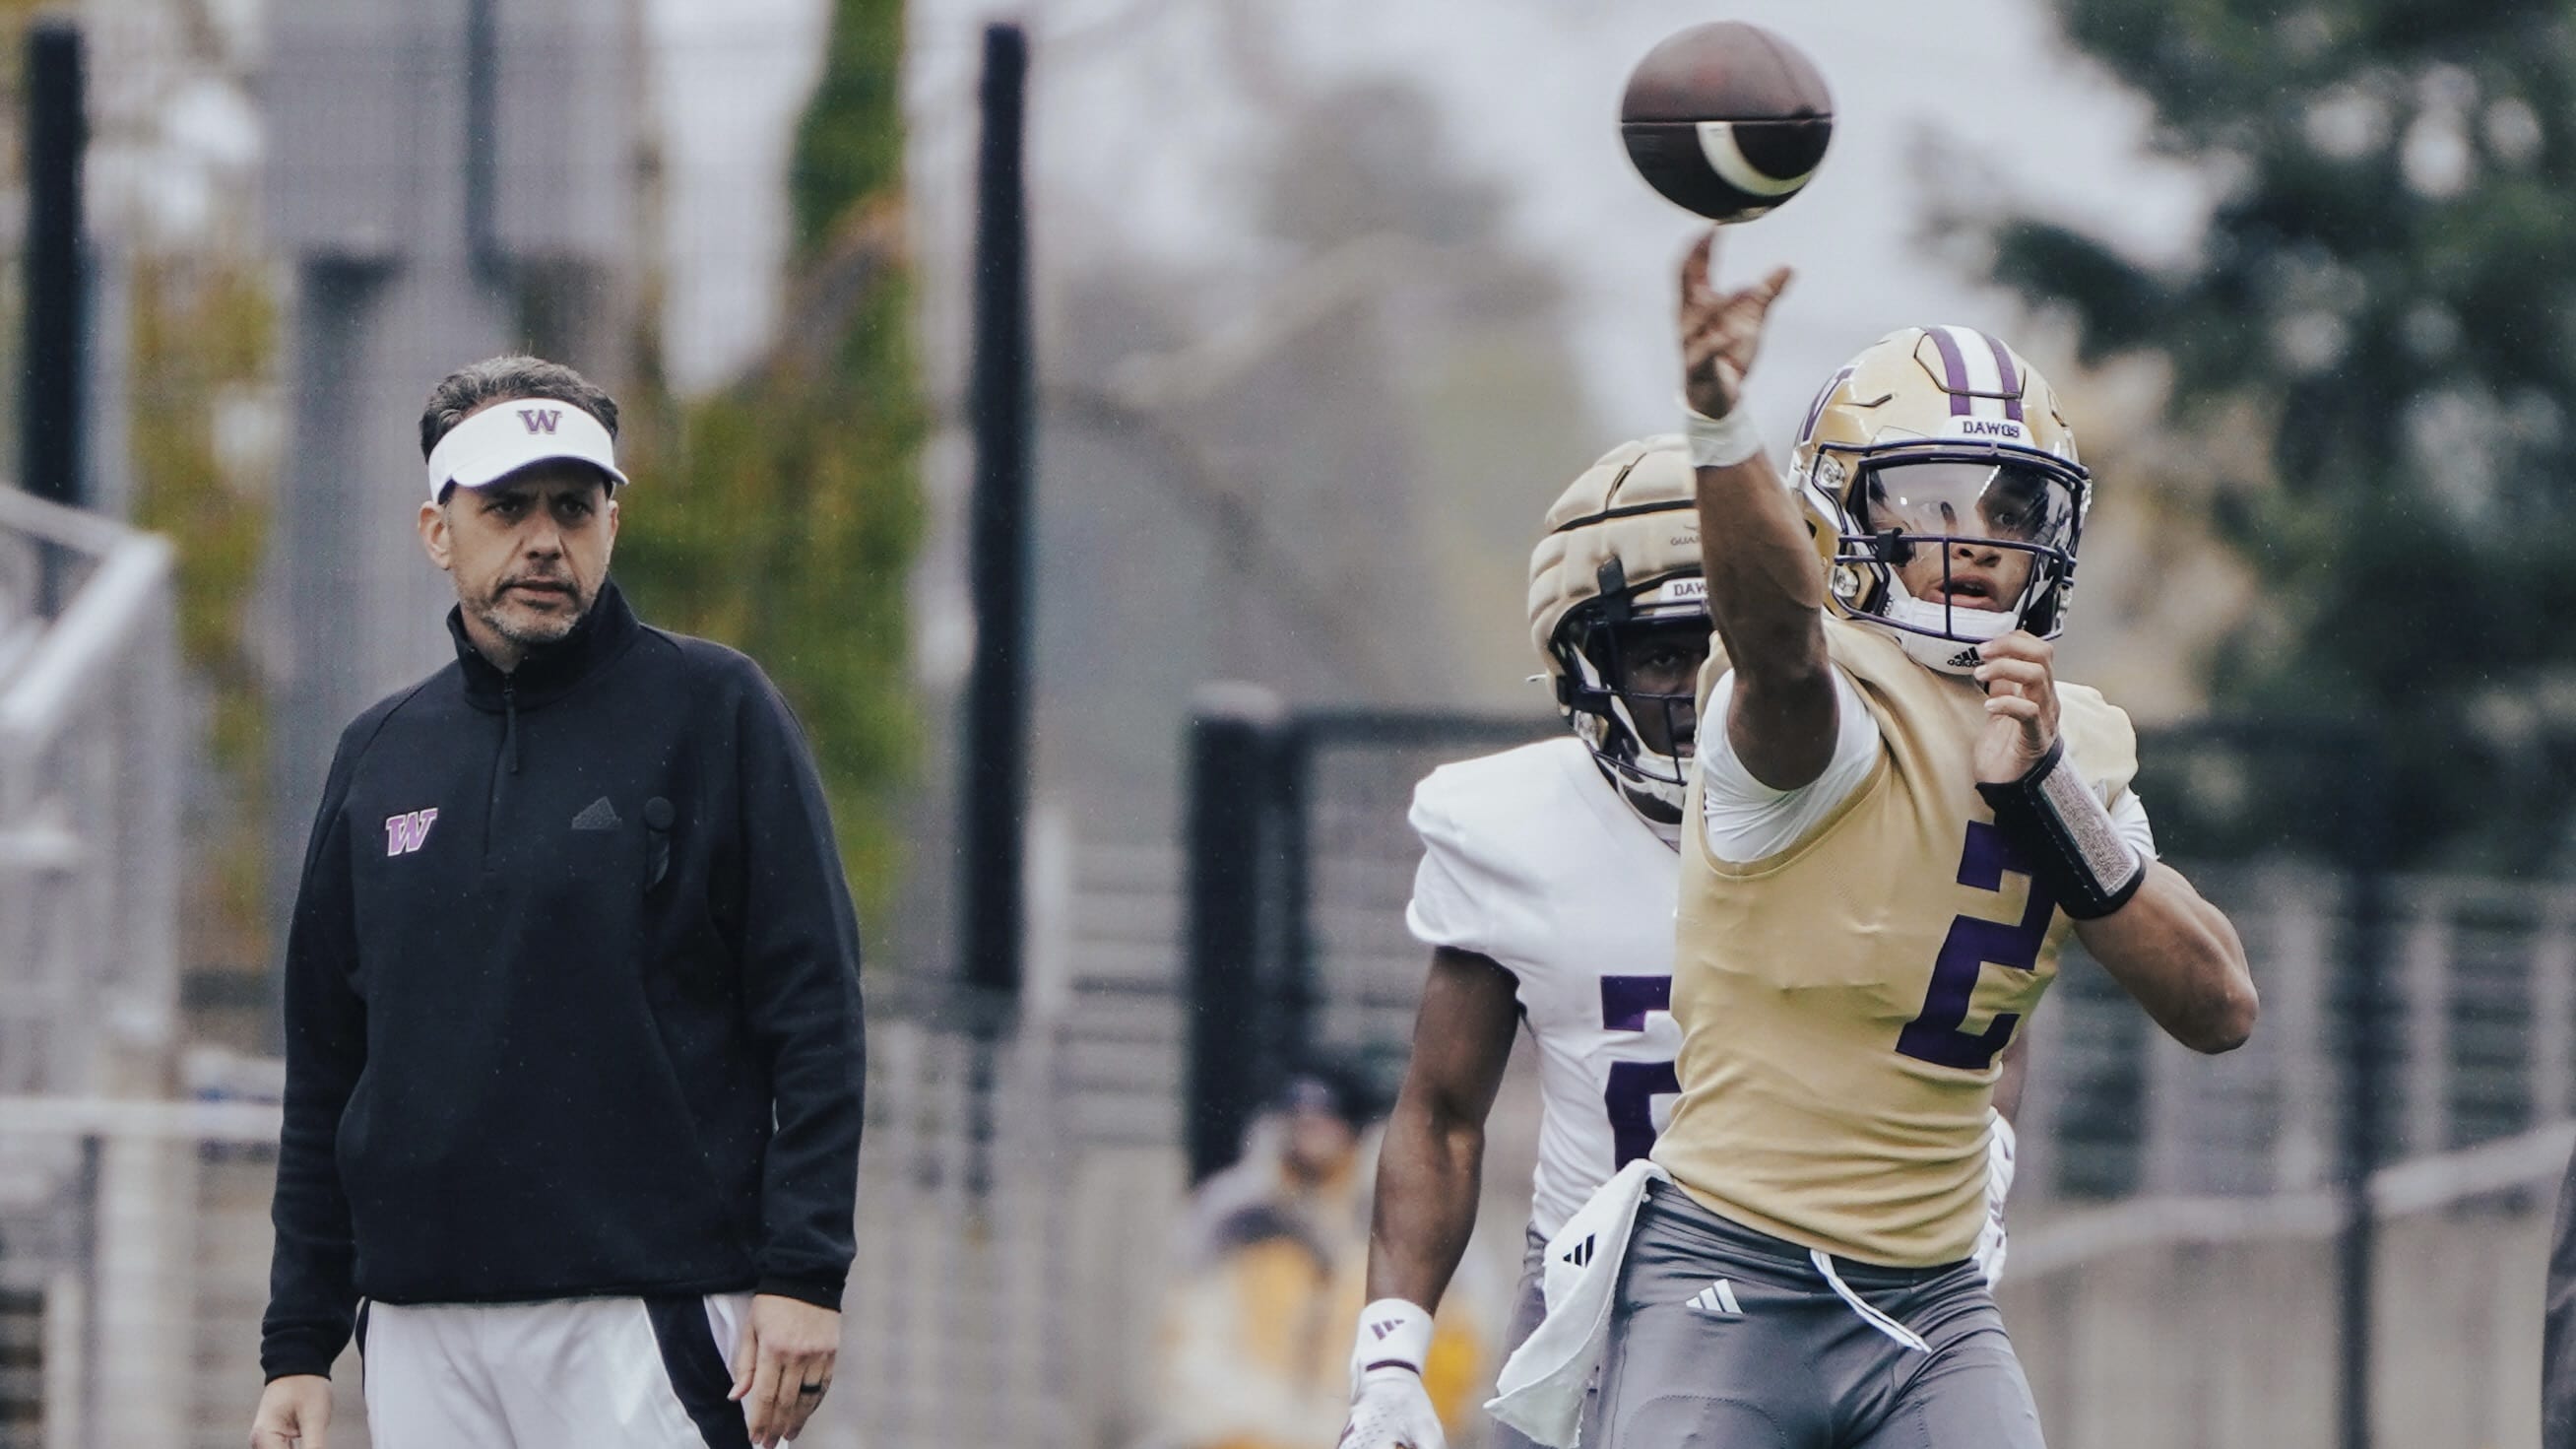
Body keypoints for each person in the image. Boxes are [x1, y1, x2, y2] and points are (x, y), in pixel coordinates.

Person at [1491, 237, 2259, 1449]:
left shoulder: (2077, 738)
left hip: (1934, 1305)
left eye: (2009, 506)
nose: (1976, 538)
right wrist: (1717, 419)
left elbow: (2219, 1004)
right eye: (1932, 498)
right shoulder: (1825, 694)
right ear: (1843, 511)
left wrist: (2048, 794)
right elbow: (1783, 639)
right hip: (1728, 1278)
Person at [1338, 439, 2029, 1449]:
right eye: (1666, 652)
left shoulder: (1892, 784)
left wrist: (1983, 1149)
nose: (1707, 679)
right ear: (1586, 666)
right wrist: (1392, 1354)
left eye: (1725, 640)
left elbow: (1986, 985)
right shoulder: (1514, 829)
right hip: (1599, 1308)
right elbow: (1442, 1113)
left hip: (1833, 1286)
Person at [249, 356, 867, 1449]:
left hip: (647, 1312)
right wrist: (299, 1342)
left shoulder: (715, 711)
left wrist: (805, 1272)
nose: (545, 539)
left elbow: (815, 1014)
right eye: (508, 507)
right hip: (419, 1330)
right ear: (438, 529)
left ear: (613, 523)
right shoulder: (379, 755)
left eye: (574, 507)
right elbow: (329, 1071)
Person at [1156, 1069, 1488, 1449]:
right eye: (1298, 1117)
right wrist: (1247, 1426)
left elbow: (1455, 1346)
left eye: (1326, 1117)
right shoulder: (1232, 1219)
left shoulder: (1413, 1218)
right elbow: (1189, 1347)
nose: (1310, 1130)